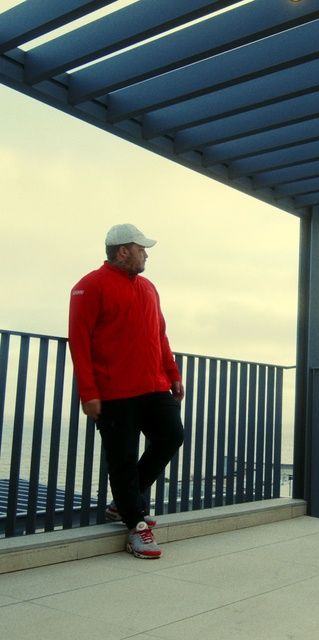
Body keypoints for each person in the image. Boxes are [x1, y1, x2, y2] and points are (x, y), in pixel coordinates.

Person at [68, 224, 184, 559]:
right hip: (114, 392)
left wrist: (172, 374)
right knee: (122, 459)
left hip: (154, 386)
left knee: (172, 435)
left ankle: (123, 503)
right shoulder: (89, 286)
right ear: (123, 251)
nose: (146, 254)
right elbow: (79, 341)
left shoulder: (148, 287)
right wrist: (88, 392)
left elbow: (160, 335)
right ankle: (135, 526)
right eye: (141, 249)